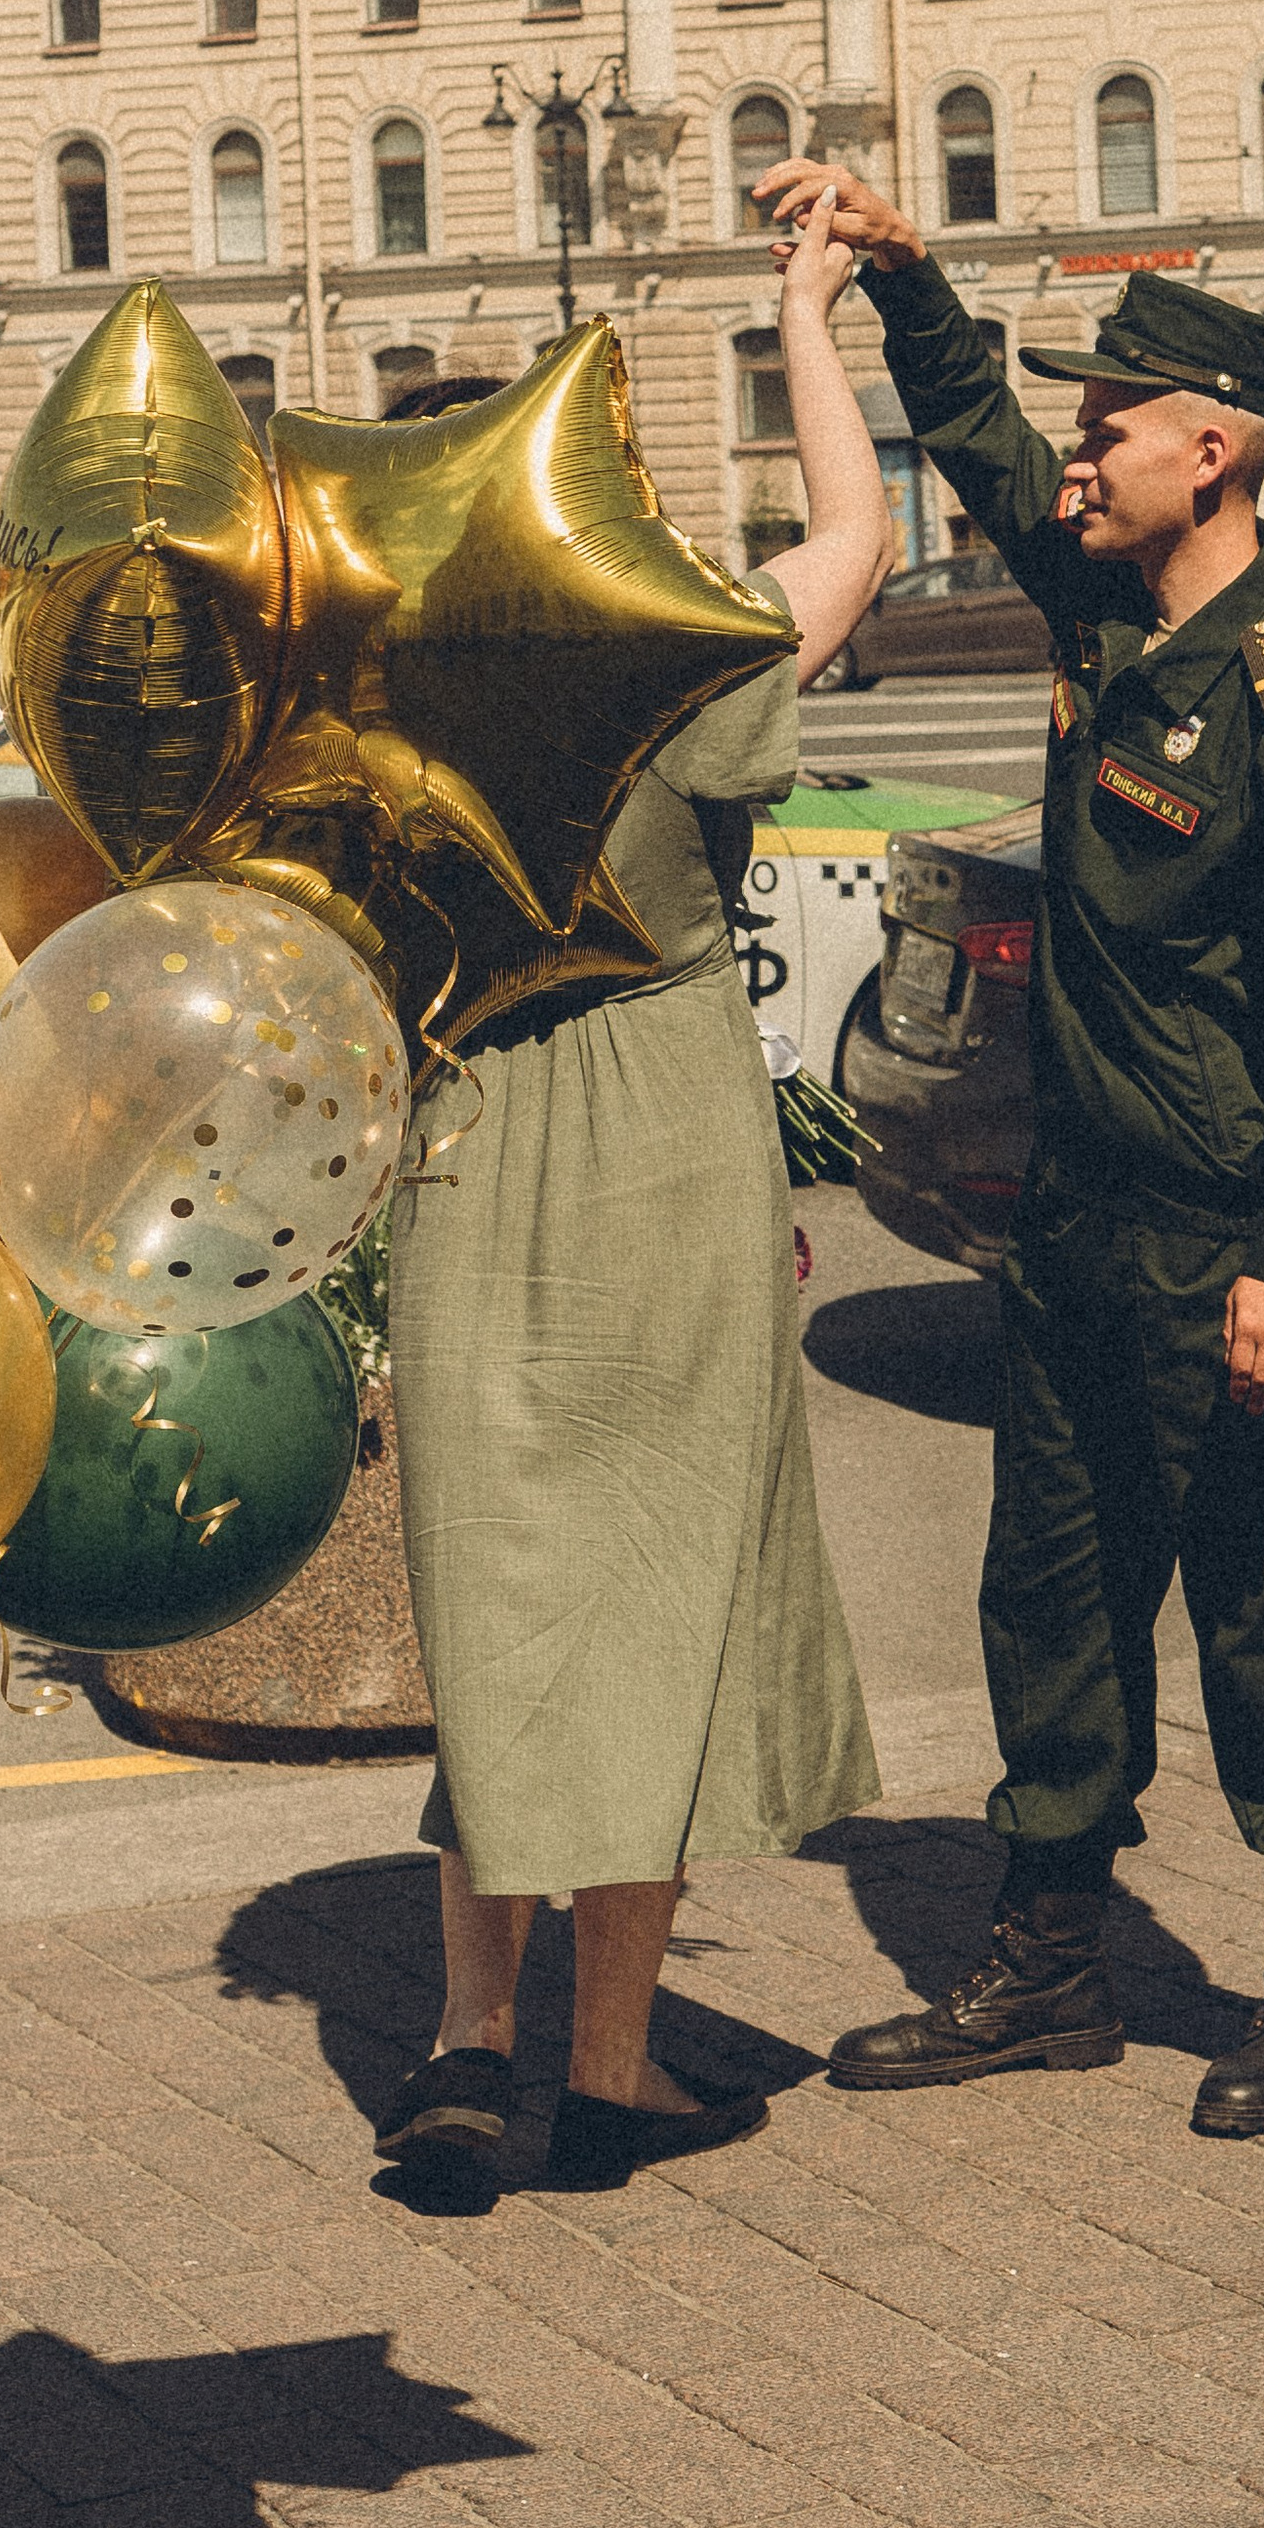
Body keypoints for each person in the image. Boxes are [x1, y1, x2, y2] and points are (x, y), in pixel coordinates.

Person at [760, 153, 1264, 2140]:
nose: (1075, 447)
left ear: (1209, 451)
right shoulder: (1100, 608)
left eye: (1107, 422)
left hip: (1222, 1240)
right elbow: (963, 434)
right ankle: (1047, 1958)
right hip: (1074, 1217)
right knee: (1047, 1592)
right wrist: (897, 269)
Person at [375, 188, 891, 2197]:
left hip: (466, 1147)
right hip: (666, 1148)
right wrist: (801, 319)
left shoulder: (388, 720)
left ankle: (457, 2046)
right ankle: (609, 2067)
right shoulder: (680, 672)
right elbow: (855, 536)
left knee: (503, 1618)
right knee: (656, 1604)